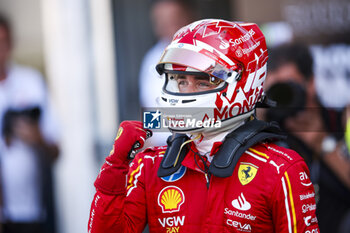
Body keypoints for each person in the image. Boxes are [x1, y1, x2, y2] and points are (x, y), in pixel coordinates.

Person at [88, 19, 319, 232]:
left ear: (244, 83)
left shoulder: (281, 170)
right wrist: (116, 166)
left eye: (203, 82)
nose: (187, 91)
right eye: (181, 81)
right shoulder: (149, 166)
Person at [261, 43, 350, 233]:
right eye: (275, 91)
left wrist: (322, 143)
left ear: (311, 83)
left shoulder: (339, 121)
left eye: (288, 87)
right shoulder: (263, 131)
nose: (283, 97)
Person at [0, 15, 59, 233]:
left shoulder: (30, 82)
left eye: (3, 42)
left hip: (31, 212)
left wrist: (37, 138)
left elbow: (56, 148)